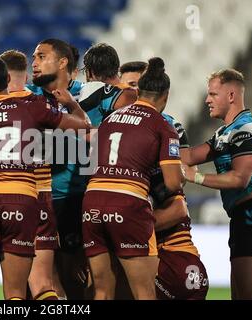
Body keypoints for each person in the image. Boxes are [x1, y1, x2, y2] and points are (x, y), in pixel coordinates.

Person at [0, 56, 90, 300]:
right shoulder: (33, 105)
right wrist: (72, 104)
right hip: (27, 199)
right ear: (8, 79)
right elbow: (83, 126)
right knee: (23, 292)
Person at [30, 38, 136, 299]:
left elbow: (129, 101)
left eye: (41, 57)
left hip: (76, 198)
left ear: (63, 62)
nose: (34, 63)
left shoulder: (91, 92)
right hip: (35, 198)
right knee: (32, 284)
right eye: (34, 58)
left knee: (74, 280)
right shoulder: (27, 96)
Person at [82, 57, 184, 299]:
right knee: (144, 293)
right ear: (165, 95)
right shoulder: (163, 126)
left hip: (92, 201)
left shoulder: (109, 119)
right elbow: (172, 183)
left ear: (139, 91)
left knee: (102, 291)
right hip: (128, 203)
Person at [182, 69, 252, 300]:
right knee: (240, 296)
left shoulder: (245, 130)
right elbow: (188, 157)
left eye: (213, 94)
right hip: (242, 216)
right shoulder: (225, 132)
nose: (207, 100)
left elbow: (240, 179)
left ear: (231, 96)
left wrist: (196, 178)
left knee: (251, 294)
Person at [0, 49, 60, 300]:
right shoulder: (42, 105)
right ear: (25, 78)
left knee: (12, 288)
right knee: (43, 283)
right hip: (41, 194)